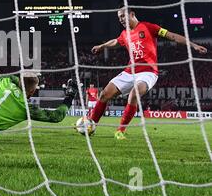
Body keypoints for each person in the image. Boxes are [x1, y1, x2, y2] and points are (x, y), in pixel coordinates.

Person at [88, 8, 208, 140]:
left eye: (123, 16)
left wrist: (193, 45)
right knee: (104, 94)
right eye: (119, 18)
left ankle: (120, 130)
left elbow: (172, 36)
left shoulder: (148, 27)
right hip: (130, 71)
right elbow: (116, 41)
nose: (121, 19)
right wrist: (102, 46)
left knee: (134, 93)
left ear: (132, 14)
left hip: (148, 72)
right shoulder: (124, 34)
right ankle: (91, 125)